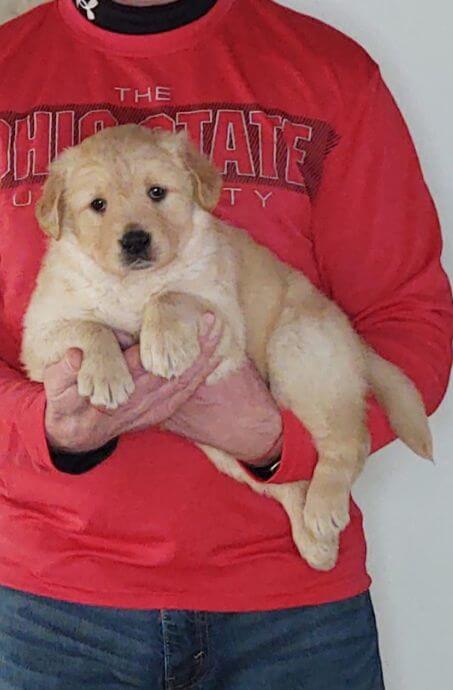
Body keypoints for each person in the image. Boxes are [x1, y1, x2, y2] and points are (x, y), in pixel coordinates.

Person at [0, 1, 451, 688]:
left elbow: (408, 318)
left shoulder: (327, 70)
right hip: (50, 604)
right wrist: (42, 428)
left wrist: (281, 443)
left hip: (290, 610)